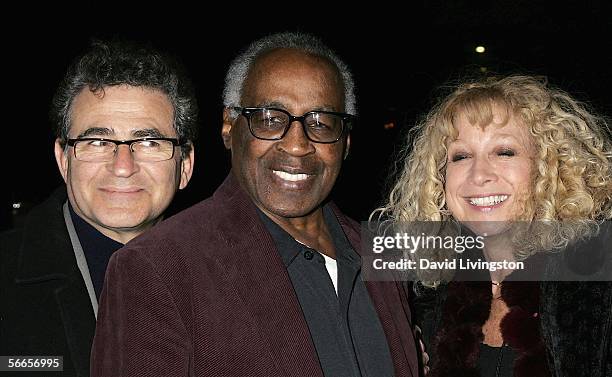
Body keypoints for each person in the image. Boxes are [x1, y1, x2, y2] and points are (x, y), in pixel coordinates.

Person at [91, 32, 419, 377]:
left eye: (321, 123)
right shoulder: (157, 268)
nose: (297, 145)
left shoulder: (383, 255)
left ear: (345, 142)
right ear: (229, 127)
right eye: (270, 119)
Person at [375, 75, 612, 376]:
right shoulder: (425, 297)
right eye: (461, 156)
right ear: (439, 179)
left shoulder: (595, 286)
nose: (479, 175)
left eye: (504, 152)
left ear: (550, 165)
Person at [1, 39, 197, 377]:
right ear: (63, 159)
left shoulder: (236, 284)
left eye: (149, 141)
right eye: (97, 141)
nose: (122, 165)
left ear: (185, 166)